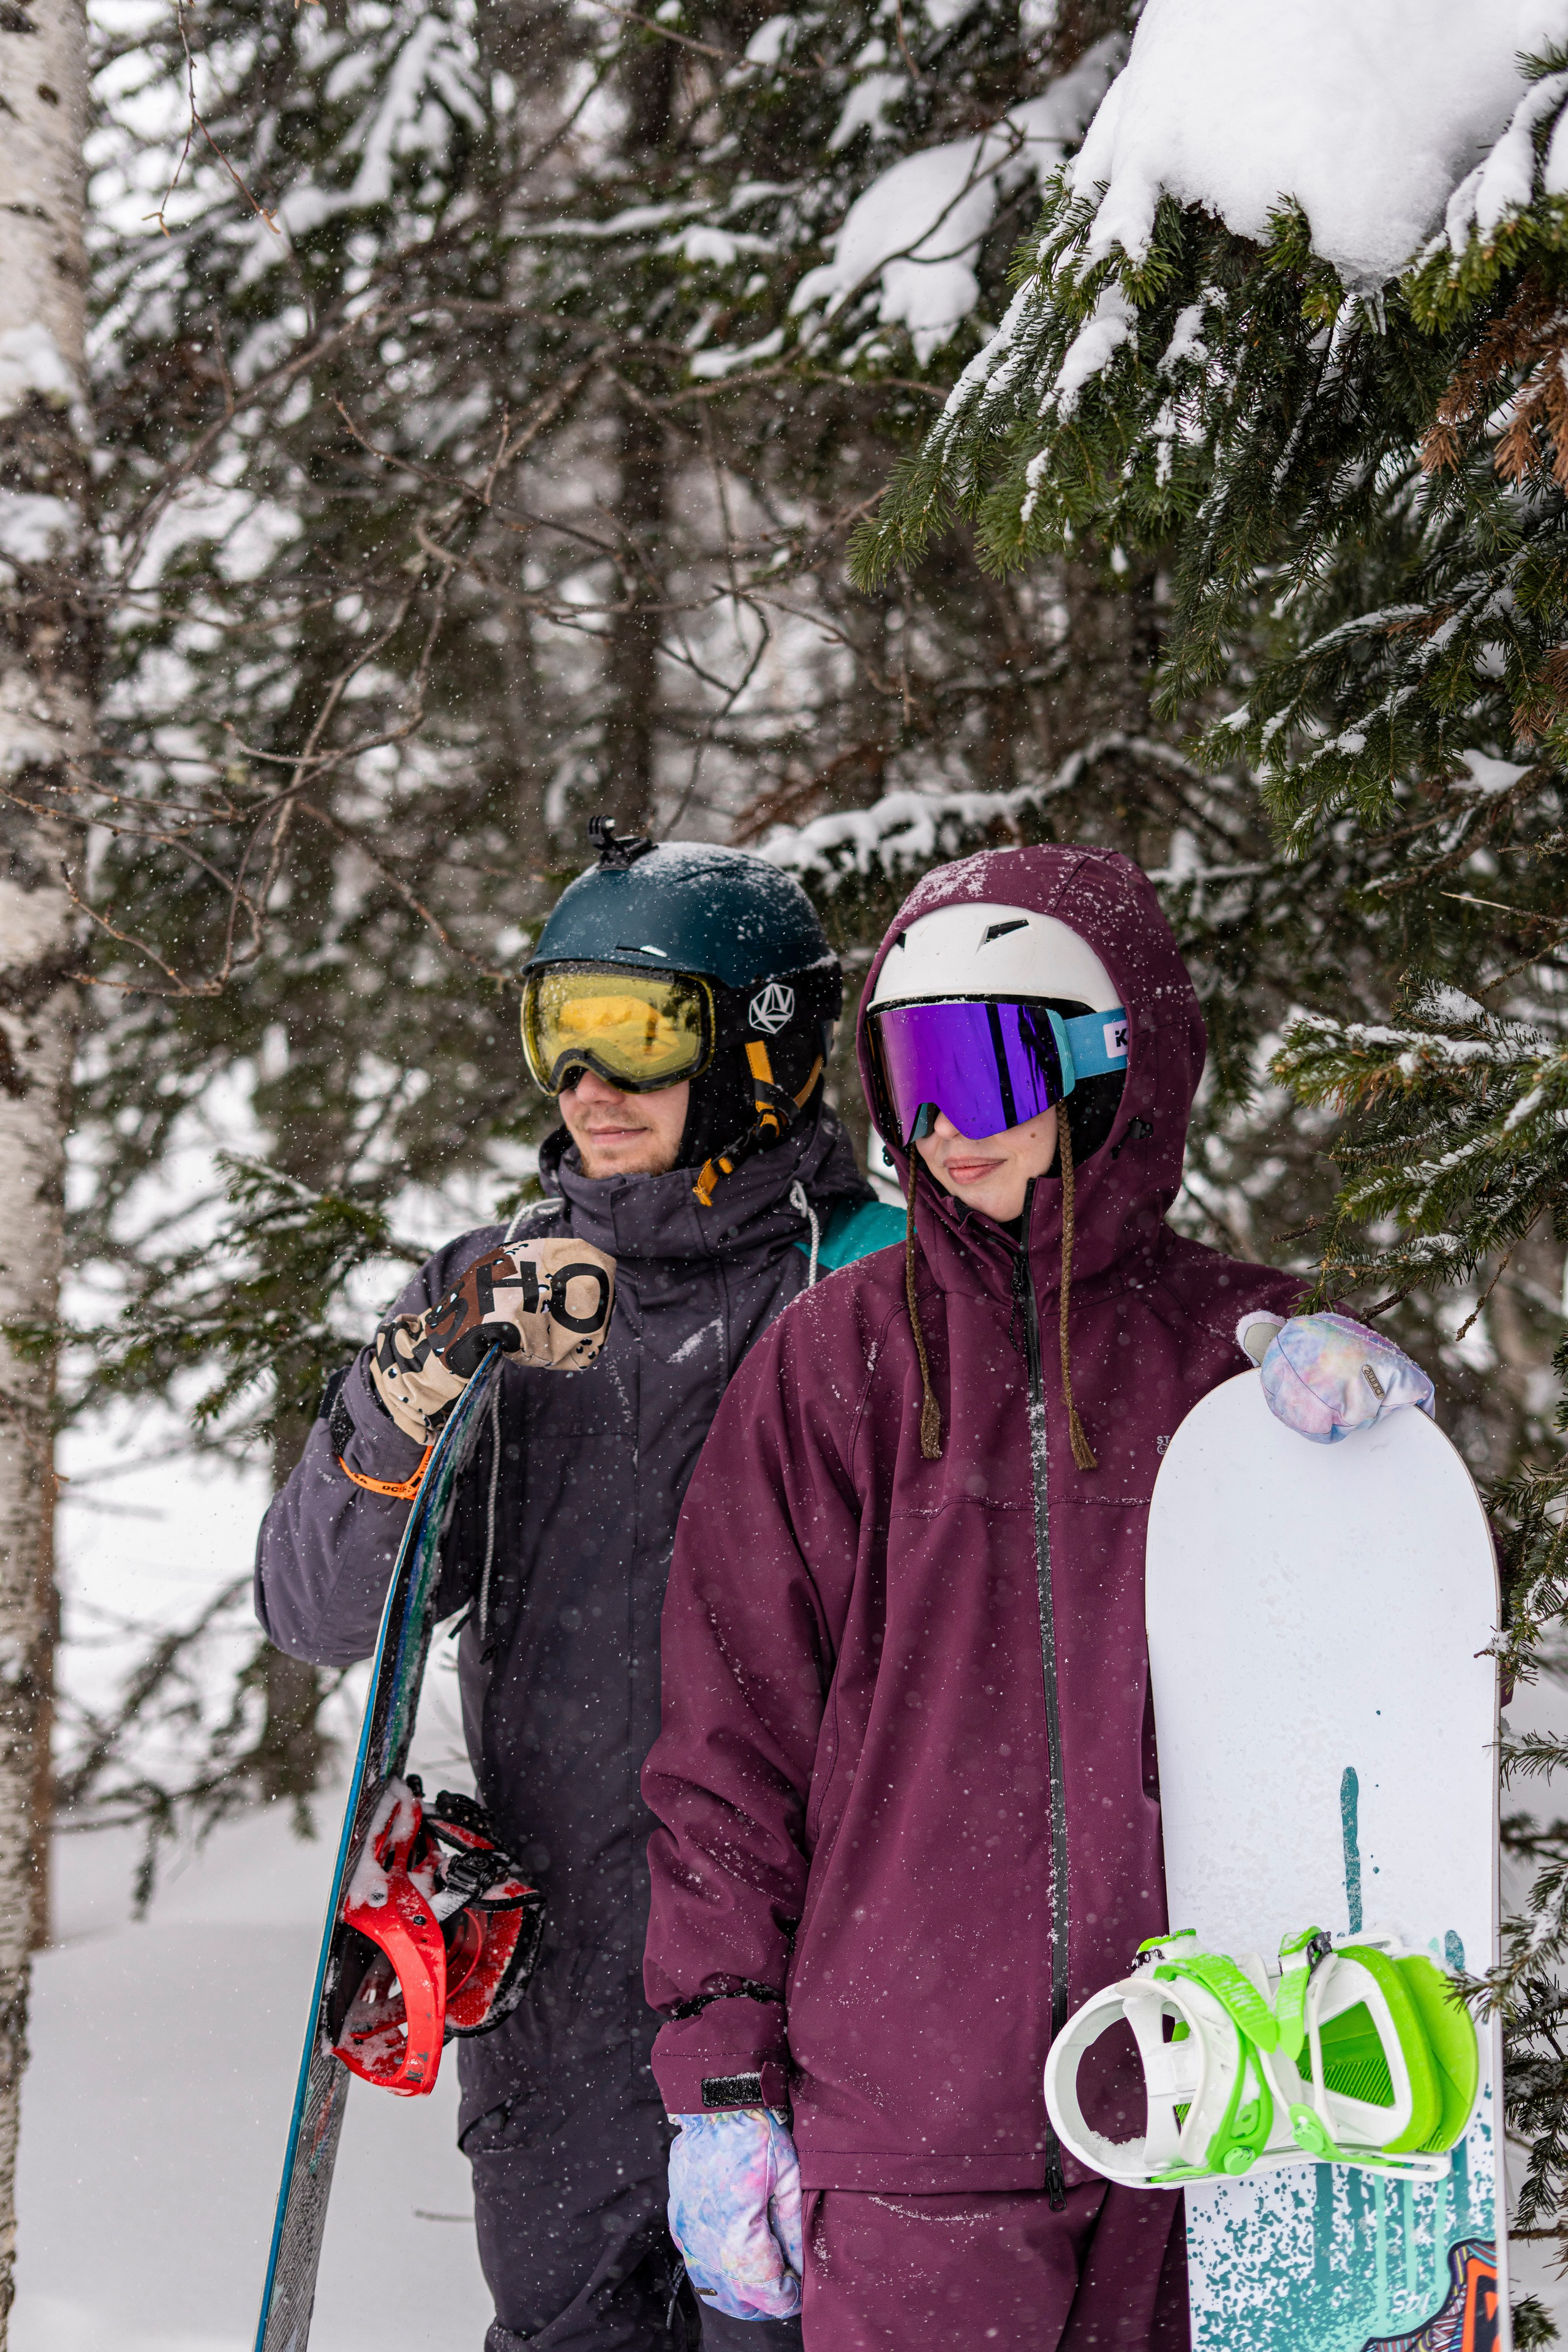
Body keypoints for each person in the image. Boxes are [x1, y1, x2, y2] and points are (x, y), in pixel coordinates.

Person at [641, 842, 1436, 2349]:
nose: (938, 1125)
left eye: (984, 1064)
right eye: (907, 1067)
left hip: (1225, 2106)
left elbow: (1417, 1675)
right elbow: (725, 1755)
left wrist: (1382, 1460)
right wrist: (725, 2082)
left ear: (1109, 1065)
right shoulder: (833, 1364)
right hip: (912, 2133)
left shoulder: (1238, 1359)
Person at [254, 823, 903, 2352]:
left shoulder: (873, 1285)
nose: (585, 1089)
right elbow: (315, 1610)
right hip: (560, 2025)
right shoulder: (504, 1292)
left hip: (804, 2005)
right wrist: (407, 1393)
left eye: (635, 1031)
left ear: (761, 1044)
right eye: (558, 1030)